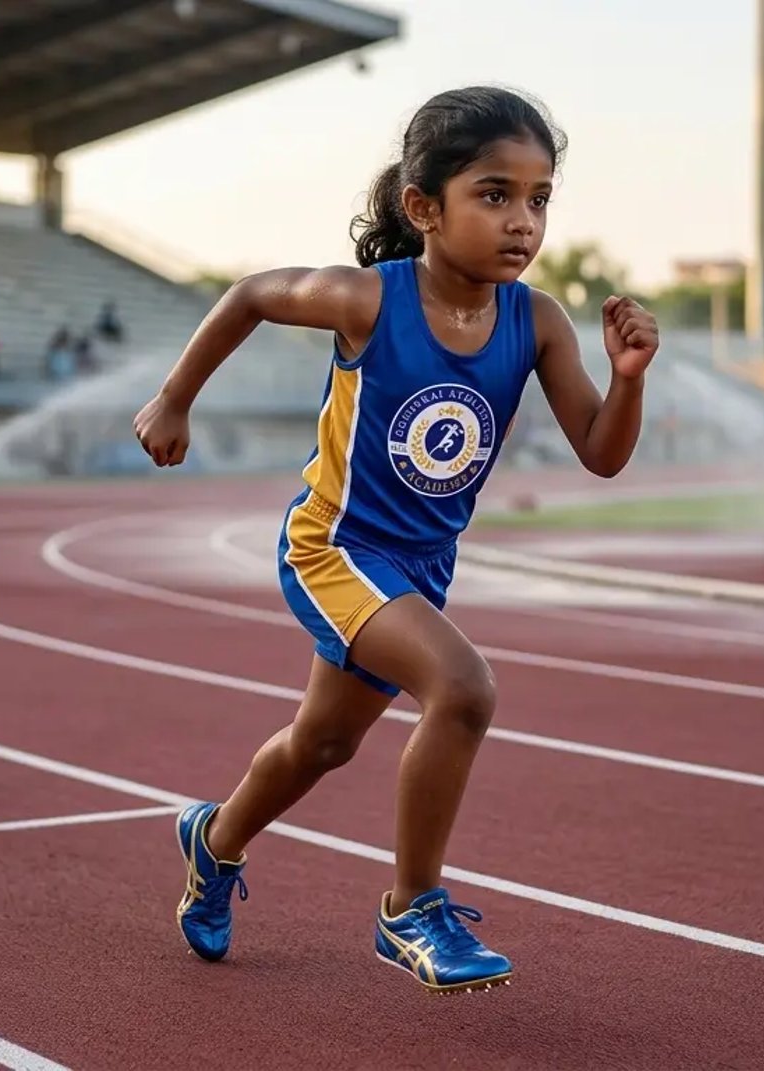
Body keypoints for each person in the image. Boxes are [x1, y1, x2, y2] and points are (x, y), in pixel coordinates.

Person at [134, 87, 658, 994]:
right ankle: (412, 907)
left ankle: (213, 842)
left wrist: (629, 380)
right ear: (424, 207)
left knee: (322, 744)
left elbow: (602, 454)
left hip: (419, 567)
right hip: (335, 548)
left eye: (539, 199)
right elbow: (251, 294)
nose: (522, 221)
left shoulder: (535, 322)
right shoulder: (368, 302)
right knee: (462, 688)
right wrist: (175, 397)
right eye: (494, 194)